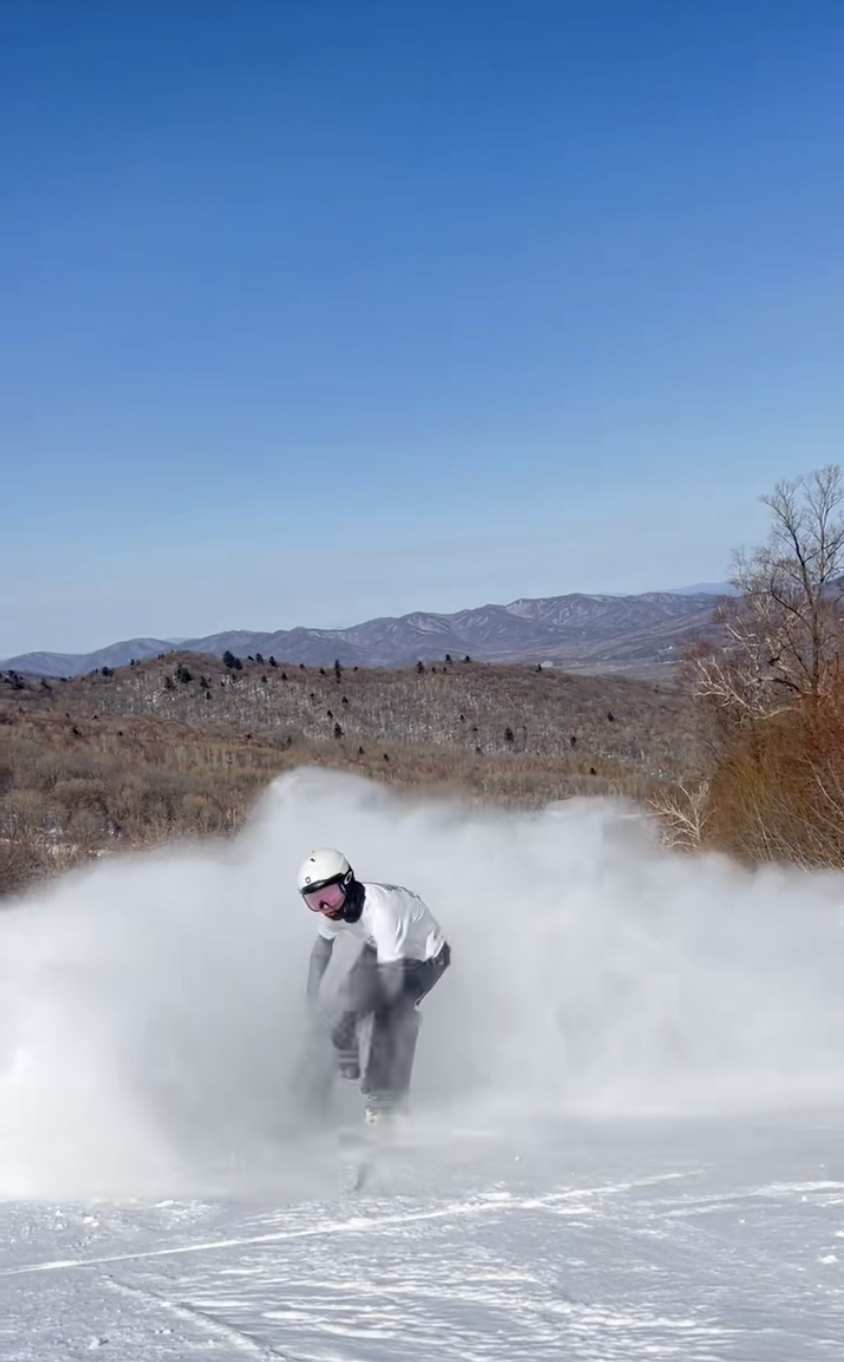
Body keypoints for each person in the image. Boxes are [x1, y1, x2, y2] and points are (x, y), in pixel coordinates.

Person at [298, 847, 450, 1121]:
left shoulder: (381, 912)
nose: (326, 907)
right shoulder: (335, 912)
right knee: (343, 1010)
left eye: (329, 895)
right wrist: (312, 1001)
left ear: (348, 881)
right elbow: (321, 950)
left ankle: (387, 1101)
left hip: (425, 958)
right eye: (315, 901)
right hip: (381, 949)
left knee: (391, 1014)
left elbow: (391, 982)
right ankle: (314, 1097)